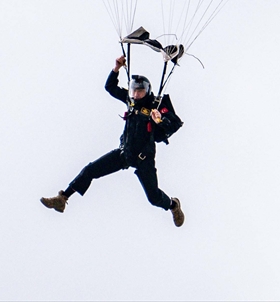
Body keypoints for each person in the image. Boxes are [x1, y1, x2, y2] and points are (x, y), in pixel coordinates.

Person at [40, 55, 185, 226]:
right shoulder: (130, 102)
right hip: (124, 154)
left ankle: (173, 205)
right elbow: (110, 87)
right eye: (134, 90)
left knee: (153, 197)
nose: (137, 94)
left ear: (147, 91)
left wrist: (160, 119)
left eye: (140, 91)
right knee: (90, 170)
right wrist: (116, 68)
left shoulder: (156, 105)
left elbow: (174, 124)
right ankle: (62, 198)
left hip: (144, 159)